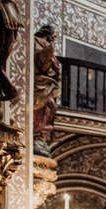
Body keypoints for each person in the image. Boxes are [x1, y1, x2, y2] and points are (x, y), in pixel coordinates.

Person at [32, 25, 61, 156]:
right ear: (47, 33)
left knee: (52, 108)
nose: (54, 38)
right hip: (40, 84)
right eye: (53, 35)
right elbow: (40, 61)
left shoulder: (47, 46)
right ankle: (35, 134)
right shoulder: (35, 42)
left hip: (48, 84)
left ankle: (41, 134)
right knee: (41, 107)